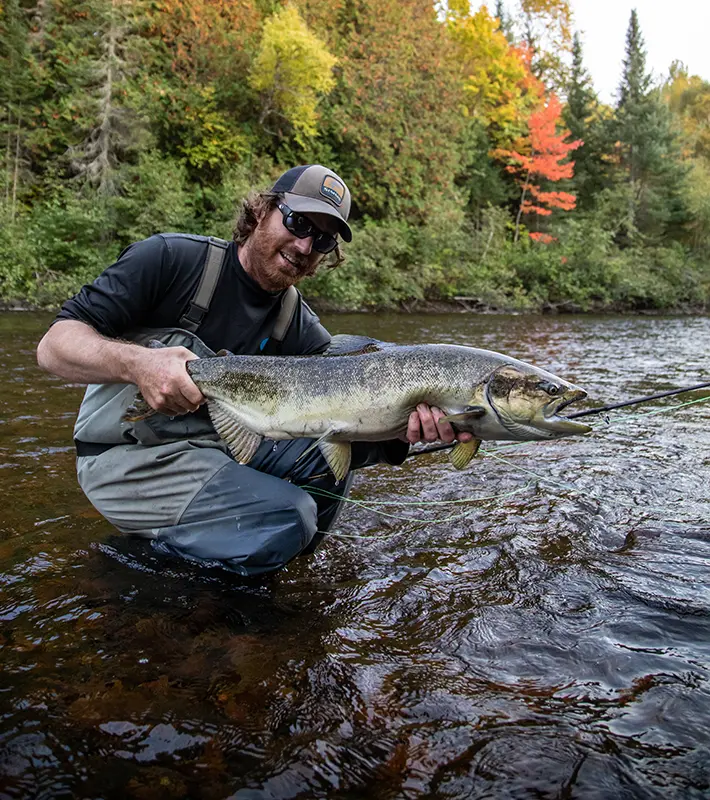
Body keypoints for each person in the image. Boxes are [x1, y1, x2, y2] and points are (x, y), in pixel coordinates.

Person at [36, 164, 472, 576]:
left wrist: (399, 430)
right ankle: (165, 577)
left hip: (215, 453)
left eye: (321, 241)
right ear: (263, 211)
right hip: (124, 457)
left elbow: (337, 428)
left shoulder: (300, 330)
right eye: (299, 223)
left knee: (323, 468)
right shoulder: (169, 260)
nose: (304, 246)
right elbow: (54, 347)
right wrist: (139, 364)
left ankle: (262, 561)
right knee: (288, 515)